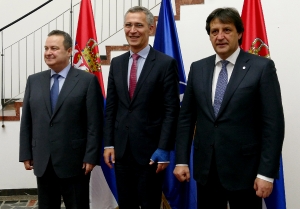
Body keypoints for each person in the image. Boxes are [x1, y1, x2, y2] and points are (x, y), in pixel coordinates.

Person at [173, 7, 284, 209]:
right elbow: (186, 119)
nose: (220, 36)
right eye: (214, 31)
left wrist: (266, 173)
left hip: (246, 173)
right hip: (207, 171)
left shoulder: (261, 68)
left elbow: (273, 124)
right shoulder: (198, 68)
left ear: (239, 33)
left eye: (227, 30)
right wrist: (181, 160)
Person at [103, 6, 180, 209]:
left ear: (151, 29)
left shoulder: (165, 64)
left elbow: (171, 110)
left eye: (139, 25)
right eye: (128, 25)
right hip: (121, 151)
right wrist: (109, 144)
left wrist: (164, 148)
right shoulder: (117, 63)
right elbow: (111, 106)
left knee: (149, 204)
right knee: (126, 204)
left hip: (151, 153)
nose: (133, 30)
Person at [19, 30, 103, 209]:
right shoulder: (34, 81)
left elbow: (94, 124)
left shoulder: (86, 81)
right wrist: (26, 152)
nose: (48, 52)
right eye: (46, 48)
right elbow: (27, 120)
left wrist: (91, 156)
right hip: (43, 161)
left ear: (69, 51)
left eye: (54, 48)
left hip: (75, 162)